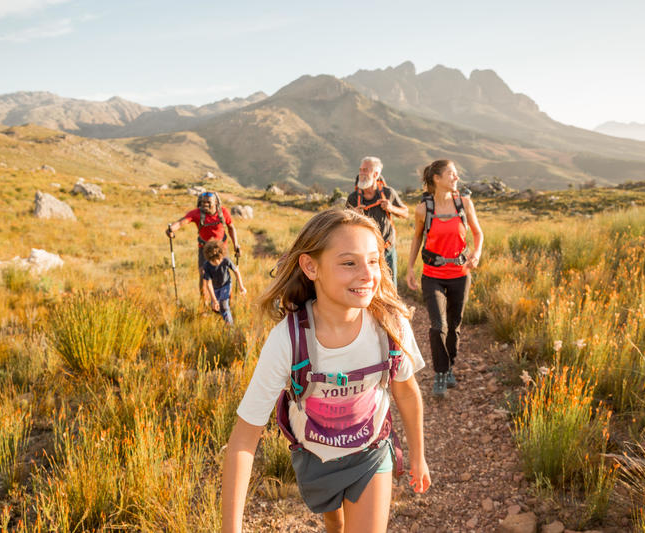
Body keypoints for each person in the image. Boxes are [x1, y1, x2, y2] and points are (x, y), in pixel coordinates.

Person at [222, 209, 431, 533]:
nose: (368, 275)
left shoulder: (390, 326)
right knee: (335, 522)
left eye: (374, 260)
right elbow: (244, 439)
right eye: (349, 263)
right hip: (314, 459)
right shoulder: (287, 341)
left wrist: (418, 455)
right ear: (310, 266)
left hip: (370, 452)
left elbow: (405, 390)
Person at [405, 160, 483, 399]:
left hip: (460, 275)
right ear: (437, 178)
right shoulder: (423, 209)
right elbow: (418, 238)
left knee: (454, 327)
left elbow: (478, 233)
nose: (456, 178)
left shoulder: (464, 203)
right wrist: (410, 267)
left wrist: (476, 253)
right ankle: (440, 373)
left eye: (456, 174)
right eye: (451, 174)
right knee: (438, 326)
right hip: (432, 275)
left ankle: (449, 367)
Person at [165, 191, 241, 298]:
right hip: (204, 249)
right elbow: (181, 222)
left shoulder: (223, 212)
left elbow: (231, 227)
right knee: (203, 275)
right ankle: (204, 303)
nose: (205, 204)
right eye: (203, 202)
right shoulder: (196, 213)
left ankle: (227, 301)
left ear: (216, 203)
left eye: (208, 202)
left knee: (224, 274)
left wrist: (236, 245)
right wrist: (171, 229)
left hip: (221, 248)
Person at [346, 156, 408, 286]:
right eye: (360, 170)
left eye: (365, 170)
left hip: (387, 250)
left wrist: (391, 208)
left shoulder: (388, 193)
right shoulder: (353, 198)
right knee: (367, 286)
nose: (361, 174)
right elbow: (343, 225)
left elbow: (405, 213)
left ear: (376, 174)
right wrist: (353, 215)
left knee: (390, 287)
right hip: (363, 252)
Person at [201, 239, 246, 325]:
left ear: (222, 255)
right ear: (209, 258)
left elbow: (236, 271)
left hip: (226, 284)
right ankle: (224, 316)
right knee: (215, 307)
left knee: (224, 304)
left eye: (219, 259)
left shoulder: (226, 260)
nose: (217, 262)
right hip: (215, 288)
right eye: (213, 261)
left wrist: (241, 287)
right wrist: (214, 300)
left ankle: (230, 326)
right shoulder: (206, 266)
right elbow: (209, 284)